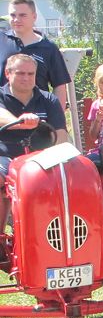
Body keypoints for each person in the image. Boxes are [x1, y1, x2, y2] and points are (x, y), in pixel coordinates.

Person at [0, 54, 67, 228]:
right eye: (20, 73)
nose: (26, 78)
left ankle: (62, 230)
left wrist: (52, 157)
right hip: (6, 158)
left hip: (42, 159)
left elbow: (61, 134)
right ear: (8, 73)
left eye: (31, 74)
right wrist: (20, 122)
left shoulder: (49, 100)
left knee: (73, 176)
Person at [0, 0, 70, 110]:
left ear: (34, 17)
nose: (16, 19)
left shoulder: (49, 48)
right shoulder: (1, 41)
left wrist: (58, 118)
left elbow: (59, 86)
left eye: (22, 15)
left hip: (38, 116)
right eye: (13, 15)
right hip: (5, 115)